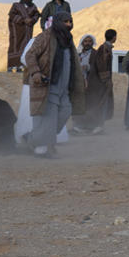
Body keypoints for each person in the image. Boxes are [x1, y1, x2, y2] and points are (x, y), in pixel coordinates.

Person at [21, 12, 83, 156]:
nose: (68, 25)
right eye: (65, 22)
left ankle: (32, 138)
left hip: (64, 87)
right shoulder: (46, 36)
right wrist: (36, 72)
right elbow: (30, 55)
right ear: (57, 22)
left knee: (65, 111)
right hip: (48, 86)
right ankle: (41, 149)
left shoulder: (68, 39)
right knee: (48, 117)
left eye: (70, 21)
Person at [85, 29, 117, 130]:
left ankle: (98, 125)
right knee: (100, 102)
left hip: (101, 81)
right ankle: (97, 126)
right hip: (101, 83)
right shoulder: (104, 49)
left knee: (102, 102)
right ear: (114, 37)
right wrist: (107, 80)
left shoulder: (106, 48)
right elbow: (102, 65)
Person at [7, 0, 38, 71]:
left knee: (25, 47)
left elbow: (36, 15)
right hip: (17, 31)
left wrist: (31, 20)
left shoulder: (33, 7)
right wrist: (23, 20)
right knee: (14, 46)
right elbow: (12, 15)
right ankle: (11, 66)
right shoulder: (16, 5)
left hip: (27, 31)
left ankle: (20, 66)